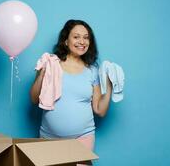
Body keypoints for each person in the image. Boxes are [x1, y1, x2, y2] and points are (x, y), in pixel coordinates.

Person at [30, 19, 112, 154]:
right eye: (76, 37)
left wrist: (109, 85)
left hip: (83, 138)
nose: (82, 42)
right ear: (66, 41)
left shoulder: (92, 71)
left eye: (86, 38)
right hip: (49, 138)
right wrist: (42, 73)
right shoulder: (52, 64)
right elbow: (34, 99)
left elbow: (99, 110)